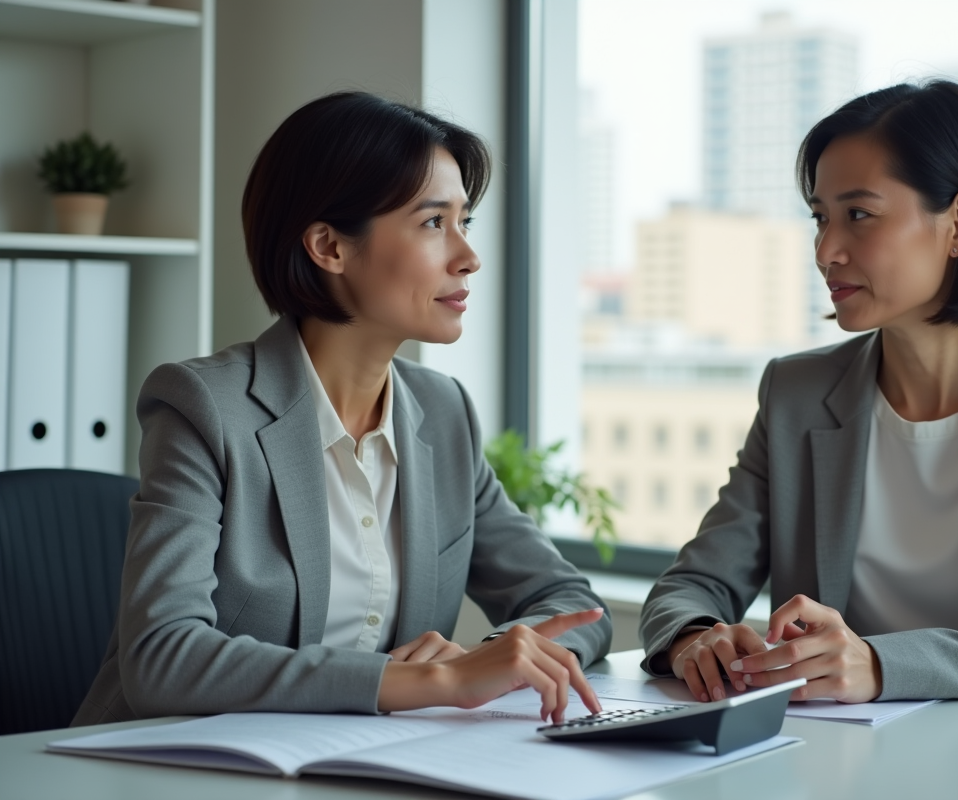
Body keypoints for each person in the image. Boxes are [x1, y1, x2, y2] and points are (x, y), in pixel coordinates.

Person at [74, 92, 610, 727]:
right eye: (434, 223)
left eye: (465, 222)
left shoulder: (443, 412)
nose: (468, 256)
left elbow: (570, 602)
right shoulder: (204, 408)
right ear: (329, 246)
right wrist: (427, 681)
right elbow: (163, 658)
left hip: (352, 767)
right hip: (164, 768)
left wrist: (495, 655)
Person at [640, 81, 958, 704]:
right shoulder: (796, 392)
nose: (825, 251)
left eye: (859, 214)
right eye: (820, 218)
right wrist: (695, 636)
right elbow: (692, 585)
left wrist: (880, 665)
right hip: (841, 757)